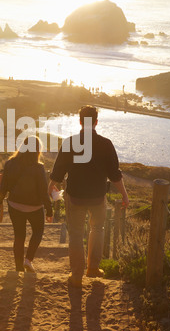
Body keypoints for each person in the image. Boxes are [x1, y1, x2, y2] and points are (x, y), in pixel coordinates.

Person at [48, 105, 129, 287]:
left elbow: (58, 171)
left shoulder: (70, 142)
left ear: (79, 121)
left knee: (76, 235)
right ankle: (93, 268)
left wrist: (50, 187)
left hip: (75, 196)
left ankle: (76, 275)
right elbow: (115, 175)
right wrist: (124, 195)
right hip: (98, 197)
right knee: (97, 229)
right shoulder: (106, 144)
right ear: (96, 122)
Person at [0, 135, 53, 273]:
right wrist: (49, 210)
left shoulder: (10, 163)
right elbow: (43, 192)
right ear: (37, 150)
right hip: (35, 207)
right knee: (38, 232)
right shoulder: (39, 167)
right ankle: (28, 261)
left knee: (19, 236)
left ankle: (18, 268)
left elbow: (3, 186)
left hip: (15, 205)